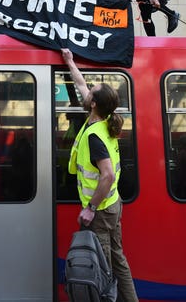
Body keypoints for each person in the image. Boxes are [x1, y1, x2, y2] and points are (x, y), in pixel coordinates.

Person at [62, 48, 138, 302]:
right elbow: (81, 84)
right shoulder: (102, 121)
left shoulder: (95, 135)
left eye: (93, 90)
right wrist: (70, 62)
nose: (89, 89)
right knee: (119, 262)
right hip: (113, 206)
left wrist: (90, 208)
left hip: (102, 210)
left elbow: (107, 176)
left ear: (93, 103)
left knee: (102, 271)